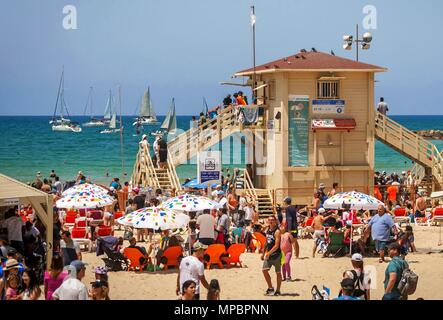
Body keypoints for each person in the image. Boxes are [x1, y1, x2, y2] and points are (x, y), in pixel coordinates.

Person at [261, 216, 282, 296]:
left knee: (278, 273)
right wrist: (263, 253)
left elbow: (276, 245)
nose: (271, 221)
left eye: (272, 220)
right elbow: (267, 242)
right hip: (268, 254)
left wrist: (268, 253)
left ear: (275, 221)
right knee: (264, 270)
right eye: (269, 220)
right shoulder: (268, 230)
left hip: (276, 255)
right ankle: (270, 288)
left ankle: (278, 290)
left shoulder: (277, 231)